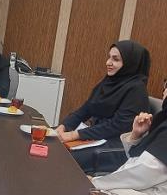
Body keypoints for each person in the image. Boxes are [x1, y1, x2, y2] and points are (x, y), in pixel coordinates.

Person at [56, 41, 151, 173]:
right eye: (109, 57)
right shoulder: (108, 82)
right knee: (50, 140)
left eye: (115, 59)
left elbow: (116, 126)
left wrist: (74, 135)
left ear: (130, 63)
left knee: (62, 157)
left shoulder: (137, 90)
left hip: (114, 146)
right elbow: (86, 109)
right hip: (96, 136)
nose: (108, 62)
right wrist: (63, 126)